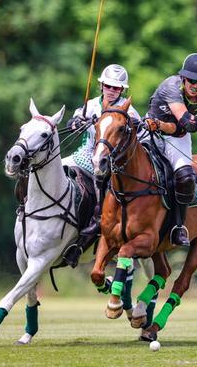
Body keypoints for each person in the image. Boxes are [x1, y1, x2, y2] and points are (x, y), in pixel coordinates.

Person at [144, 53, 197, 246]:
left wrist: (169, 127)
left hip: (177, 137)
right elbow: (188, 121)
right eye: (191, 80)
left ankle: (178, 226)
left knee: (185, 178)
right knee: (118, 159)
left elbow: (182, 128)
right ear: (183, 78)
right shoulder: (171, 86)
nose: (195, 85)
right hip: (150, 130)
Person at [62, 64, 142, 267]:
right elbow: (72, 122)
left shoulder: (128, 110)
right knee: (53, 170)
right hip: (83, 156)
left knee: (102, 198)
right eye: (108, 86)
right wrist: (75, 122)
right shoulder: (90, 105)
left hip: (111, 165)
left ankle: (82, 242)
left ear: (122, 90)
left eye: (117, 88)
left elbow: (137, 132)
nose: (112, 90)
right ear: (101, 85)